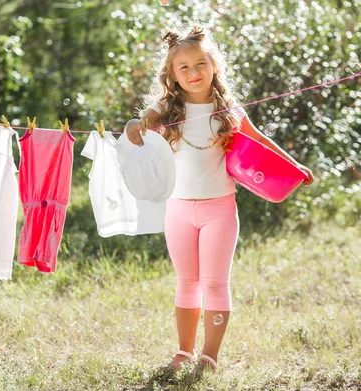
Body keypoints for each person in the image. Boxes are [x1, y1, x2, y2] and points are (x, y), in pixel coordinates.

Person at [124, 26, 314, 373]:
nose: (193, 72)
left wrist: (294, 165)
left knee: (214, 284)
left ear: (214, 65)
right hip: (177, 209)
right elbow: (139, 122)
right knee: (186, 283)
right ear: (172, 74)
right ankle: (183, 352)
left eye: (201, 63)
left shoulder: (229, 108)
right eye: (184, 67)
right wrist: (133, 125)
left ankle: (209, 357)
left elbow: (260, 141)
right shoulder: (166, 108)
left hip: (220, 210)